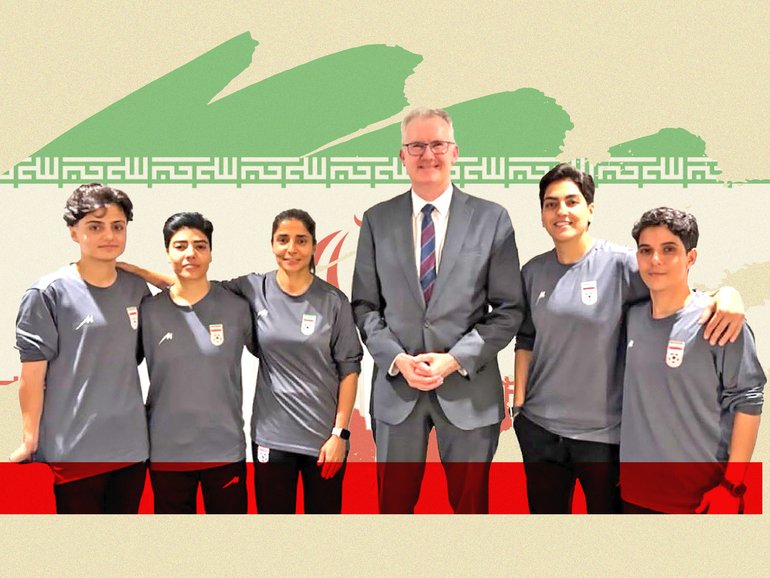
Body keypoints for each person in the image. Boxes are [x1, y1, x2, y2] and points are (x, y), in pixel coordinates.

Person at [513, 164, 747, 514]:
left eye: (571, 202)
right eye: (551, 204)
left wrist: (727, 294)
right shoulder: (532, 271)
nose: (561, 211)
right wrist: (519, 406)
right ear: (542, 214)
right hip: (540, 432)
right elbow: (526, 339)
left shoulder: (623, 264)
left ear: (590, 210)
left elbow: (676, 288)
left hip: (605, 438)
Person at [121, 209, 362, 514]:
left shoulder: (331, 300)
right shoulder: (252, 289)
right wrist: (138, 272)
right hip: (268, 439)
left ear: (314, 246)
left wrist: (340, 432)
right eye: (283, 240)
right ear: (272, 244)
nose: (291, 249)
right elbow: (192, 285)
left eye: (301, 240)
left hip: (319, 440)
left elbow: (350, 367)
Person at [351, 107, 525, 514]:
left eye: (437, 145)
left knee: (470, 510)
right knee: (393, 509)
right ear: (402, 156)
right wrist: (396, 358)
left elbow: (508, 310)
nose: (427, 154)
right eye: (416, 146)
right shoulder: (378, 220)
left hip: (469, 390)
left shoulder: (492, 219)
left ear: (455, 151)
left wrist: (453, 359)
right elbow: (364, 305)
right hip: (397, 391)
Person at [11, 183, 150, 514]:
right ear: (74, 232)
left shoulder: (136, 288)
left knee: (121, 553)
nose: (109, 235)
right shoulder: (47, 293)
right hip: (74, 450)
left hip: (131, 449)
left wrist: (144, 272)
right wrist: (30, 439)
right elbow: (32, 375)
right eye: (95, 226)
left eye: (118, 226)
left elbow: (191, 295)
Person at [620, 207, 764, 514]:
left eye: (668, 249)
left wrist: (732, 486)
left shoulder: (719, 321)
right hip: (634, 498)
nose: (655, 260)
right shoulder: (630, 318)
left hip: (704, 501)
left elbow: (748, 402)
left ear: (691, 257)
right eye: (646, 250)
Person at [141, 212, 257, 514]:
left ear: (211, 253)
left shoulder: (237, 308)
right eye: (180, 246)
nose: (190, 253)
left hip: (224, 450)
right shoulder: (148, 312)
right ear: (167, 253)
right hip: (166, 453)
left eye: (200, 246)